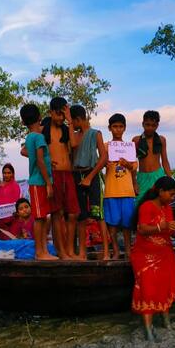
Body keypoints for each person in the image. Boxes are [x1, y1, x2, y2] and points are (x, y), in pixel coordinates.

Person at [131, 176, 175, 341]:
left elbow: (170, 230)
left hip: (164, 253)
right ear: (161, 192)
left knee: (165, 287)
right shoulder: (146, 206)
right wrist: (163, 226)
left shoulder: (167, 208)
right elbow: (143, 229)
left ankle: (166, 322)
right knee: (148, 290)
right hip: (145, 255)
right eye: (171, 194)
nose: (173, 198)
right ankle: (148, 329)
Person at [67, 104, 108, 260]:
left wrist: (91, 177)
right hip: (77, 175)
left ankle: (105, 253)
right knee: (81, 216)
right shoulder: (75, 136)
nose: (72, 124)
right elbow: (73, 146)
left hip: (93, 174)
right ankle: (82, 253)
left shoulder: (95, 134)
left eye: (73, 121)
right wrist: (70, 126)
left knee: (99, 214)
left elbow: (103, 157)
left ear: (78, 119)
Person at [20, 103, 58, 260]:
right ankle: (40, 251)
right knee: (40, 217)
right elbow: (40, 161)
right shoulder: (39, 137)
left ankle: (43, 251)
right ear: (40, 118)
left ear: (23, 122)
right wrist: (49, 183)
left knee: (42, 217)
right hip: (39, 182)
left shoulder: (30, 137)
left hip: (39, 181)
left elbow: (38, 158)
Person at [44, 97, 80, 260]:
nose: (60, 118)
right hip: (54, 174)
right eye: (57, 114)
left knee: (73, 213)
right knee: (57, 213)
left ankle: (70, 249)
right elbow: (26, 150)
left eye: (62, 115)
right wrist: (45, 161)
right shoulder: (43, 129)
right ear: (51, 112)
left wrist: (70, 120)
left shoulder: (66, 128)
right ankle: (62, 252)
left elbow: (73, 144)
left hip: (68, 174)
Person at [103, 113, 138, 259]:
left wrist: (127, 164)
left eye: (120, 127)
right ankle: (116, 250)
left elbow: (134, 168)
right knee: (112, 223)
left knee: (127, 224)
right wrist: (105, 163)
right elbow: (100, 163)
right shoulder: (105, 146)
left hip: (127, 191)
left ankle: (129, 251)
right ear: (109, 128)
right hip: (111, 190)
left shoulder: (130, 146)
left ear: (124, 128)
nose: (118, 130)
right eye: (115, 127)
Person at [133, 110, 171, 202]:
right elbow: (132, 163)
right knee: (140, 202)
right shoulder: (136, 140)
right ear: (143, 124)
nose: (150, 128)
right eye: (147, 124)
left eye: (153, 125)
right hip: (142, 176)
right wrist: (134, 182)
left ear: (157, 125)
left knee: (160, 202)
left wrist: (170, 180)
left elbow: (165, 161)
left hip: (158, 176)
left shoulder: (161, 140)